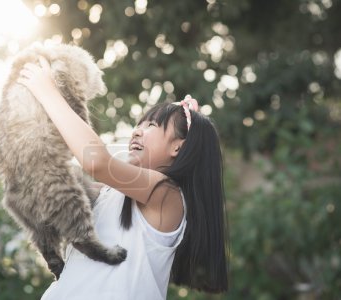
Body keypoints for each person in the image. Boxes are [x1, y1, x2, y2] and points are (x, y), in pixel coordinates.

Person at [18, 57, 229, 300]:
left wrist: (48, 92)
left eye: (151, 125)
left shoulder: (165, 193)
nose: (137, 130)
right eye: (139, 124)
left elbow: (96, 162)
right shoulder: (111, 193)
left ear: (178, 148)